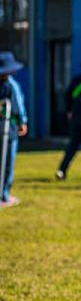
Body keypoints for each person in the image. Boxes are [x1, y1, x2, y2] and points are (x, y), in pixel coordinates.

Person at [0, 52, 28, 208]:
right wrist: (22, 122)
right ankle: (4, 193)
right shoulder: (11, 85)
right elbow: (18, 106)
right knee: (7, 161)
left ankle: (3, 192)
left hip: (8, 127)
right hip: (7, 128)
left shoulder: (10, 85)